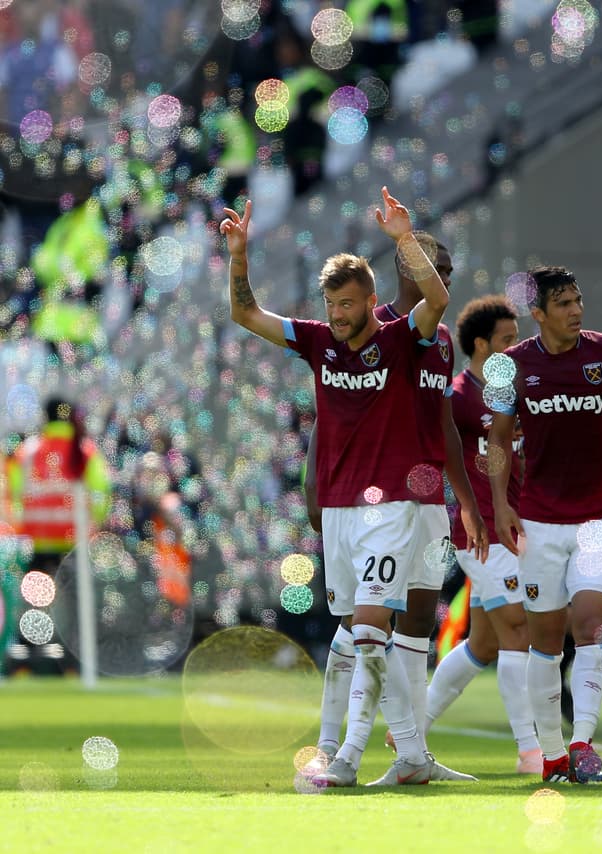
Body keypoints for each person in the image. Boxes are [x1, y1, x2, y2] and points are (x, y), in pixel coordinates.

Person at [220, 188, 486, 788]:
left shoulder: (402, 339)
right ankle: (406, 755)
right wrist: (239, 256)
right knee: (353, 632)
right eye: (331, 305)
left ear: (370, 301)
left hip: (391, 504)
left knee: (369, 631)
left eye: (347, 305)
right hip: (341, 509)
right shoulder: (318, 341)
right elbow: (245, 314)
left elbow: (438, 300)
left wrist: (403, 238)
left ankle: (344, 758)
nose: (338, 316)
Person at [302, 231, 480, 784]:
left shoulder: (441, 339)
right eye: (435, 266)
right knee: (361, 628)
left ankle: (412, 756)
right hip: (373, 501)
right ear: (407, 267)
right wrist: (315, 487)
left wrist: (465, 501)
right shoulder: (368, 326)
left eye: (447, 269)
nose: (444, 276)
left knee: (417, 625)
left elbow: (444, 424)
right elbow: (330, 417)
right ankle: (335, 747)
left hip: (425, 500)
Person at [487, 266, 602, 784]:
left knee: (591, 625)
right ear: (538, 313)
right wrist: (501, 505)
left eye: (578, 300)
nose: (576, 310)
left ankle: (582, 743)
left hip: (598, 520)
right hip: (538, 522)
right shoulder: (512, 366)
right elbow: (498, 439)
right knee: (545, 643)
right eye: (563, 304)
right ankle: (553, 755)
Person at [416, 294, 542, 774]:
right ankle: (530, 751)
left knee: (484, 643)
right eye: (508, 339)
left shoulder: (517, 392)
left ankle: (412, 726)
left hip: (521, 526)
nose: (517, 347)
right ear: (482, 345)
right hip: (482, 532)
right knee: (518, 628)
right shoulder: (458, 396)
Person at [7, 398, 110, 574]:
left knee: (39, 590)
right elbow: (101, 495)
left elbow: (13, 497)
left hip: (38, 545)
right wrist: (96, 523)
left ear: (45, 416)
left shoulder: (26, 453)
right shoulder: (86, 451)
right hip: (76, 545)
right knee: (73, 592)